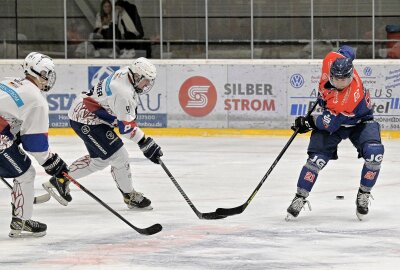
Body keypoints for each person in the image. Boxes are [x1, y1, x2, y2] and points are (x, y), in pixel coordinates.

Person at [42, 57, 162, 210]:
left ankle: (61, 180)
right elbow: (126, 129)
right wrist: (145, 142)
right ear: (137, 76)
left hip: (86, 113)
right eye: (146, 80)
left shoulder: (128, 72)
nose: (147, 85)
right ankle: (129, 195)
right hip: (87, 119)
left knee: (99, 161)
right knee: (120, 156)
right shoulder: (123, 91)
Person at [286, 45, 384, 221]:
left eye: (343, 80)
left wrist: (307, 123)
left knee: (375, 154)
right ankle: (300, 197)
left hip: (359, 122)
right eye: (335, 79)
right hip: (333, 119)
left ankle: (364, 193)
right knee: (316, 161)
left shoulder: (350, 98)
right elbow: (348, 50)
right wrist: (344, 52)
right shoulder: (330, 60)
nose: (339, 84)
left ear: (350, 76)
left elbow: (327, 123)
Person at [0, 52, 69, 238]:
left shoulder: (10, 82)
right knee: (26, 174)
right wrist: (54, 164)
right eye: (48, 74)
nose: (49, 79)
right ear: (42, 74)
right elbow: (35, 144)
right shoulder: (37, 100)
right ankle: (21, 221)